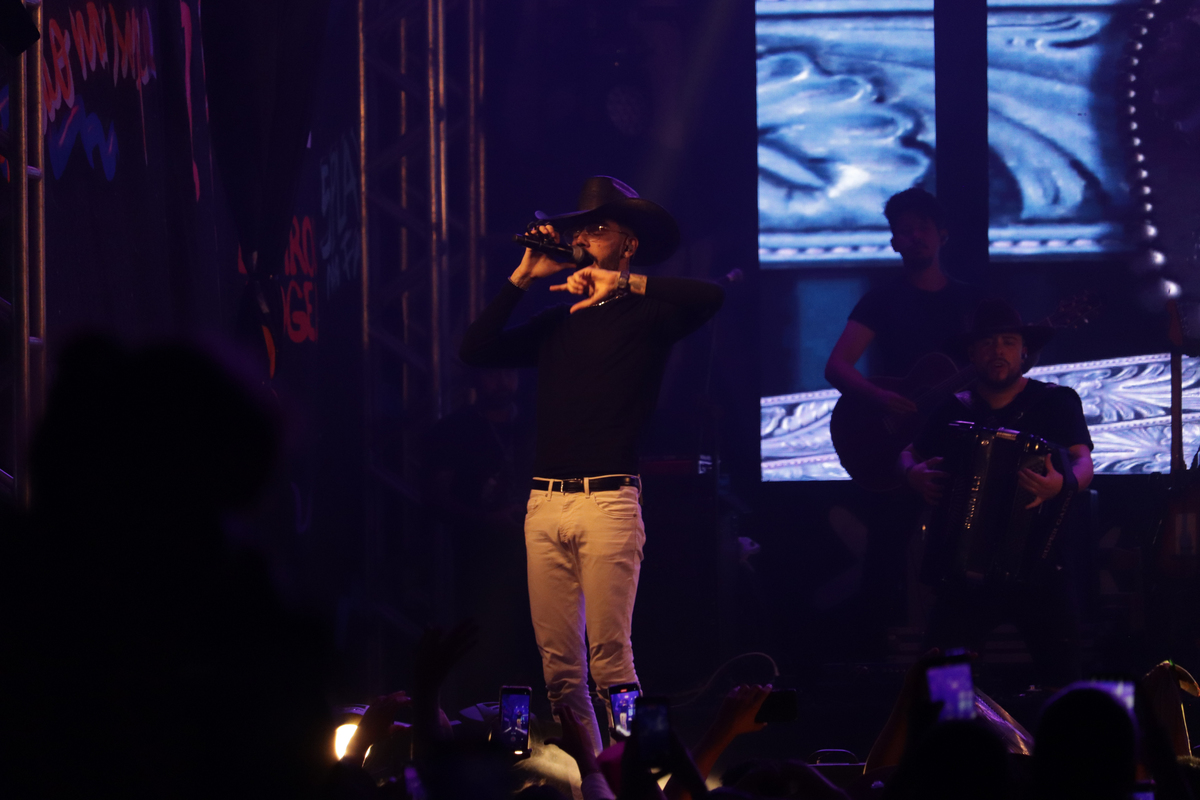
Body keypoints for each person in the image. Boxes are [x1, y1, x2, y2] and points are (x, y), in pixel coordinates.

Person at [459, 176, 724, 754]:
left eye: (597, 228)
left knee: (613, 662)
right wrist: (521, 279)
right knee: (559, 671)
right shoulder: (557, 322)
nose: (582, 238)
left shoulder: (649, 314)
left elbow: (712, 297)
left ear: (629, 245)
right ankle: (590, 774)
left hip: (608, 503)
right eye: (579, 230)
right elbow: (474, 350)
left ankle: (642, 764)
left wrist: (624, 283)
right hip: (544, 506)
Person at [900, 299, 1095, 687]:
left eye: (1008, 342)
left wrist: (1062, 484)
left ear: (1024, 351)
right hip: (966, 569)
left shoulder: (1056, 401)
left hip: (1040, 564)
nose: (998, 351)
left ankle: (1063, 726)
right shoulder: (955, 408)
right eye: (987, 343)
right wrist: (913, 475)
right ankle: (954, 726)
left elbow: (1083, 461)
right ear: (972, 353)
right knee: (943, 683)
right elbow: (908, 454)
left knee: (1065, 680)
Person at [823, 187, 982, 652]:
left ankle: (954, 675)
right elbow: (837, 366)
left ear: (943, 234)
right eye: (904, 231)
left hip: (958, 440)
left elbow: (998, 363)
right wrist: (879, 398)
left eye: (922, 228)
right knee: (885, 556)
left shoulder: (971, 301)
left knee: (960, 560)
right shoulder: (881, 300)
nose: (914, 237)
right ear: (894, 241)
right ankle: (874, 666)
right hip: (895, 444)